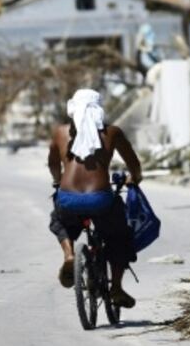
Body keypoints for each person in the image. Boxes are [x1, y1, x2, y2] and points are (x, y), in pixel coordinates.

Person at [48, 88, 143, 308]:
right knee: (119, 236)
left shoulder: (61, 133)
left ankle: (69, 255)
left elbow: (53, 164)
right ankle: (116, 288)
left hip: (68, 198)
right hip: (100, 199)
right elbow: (134, 164)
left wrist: (57, 180)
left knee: (59, 220)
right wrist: (134, 179)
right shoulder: (112, 133)